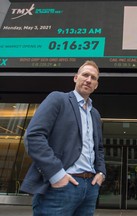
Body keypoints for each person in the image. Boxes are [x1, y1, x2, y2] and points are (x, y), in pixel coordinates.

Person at [20, 60, 106, 216]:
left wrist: (101, 173)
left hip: (90, 188)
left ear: (96, 85)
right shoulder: (58, 99)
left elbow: (98, 148)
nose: (88, 80)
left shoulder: (95, 114)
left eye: (93, 78)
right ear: (75, 78)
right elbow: (34, 136)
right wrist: (57, 175)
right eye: (85, 75)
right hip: (61, 186)